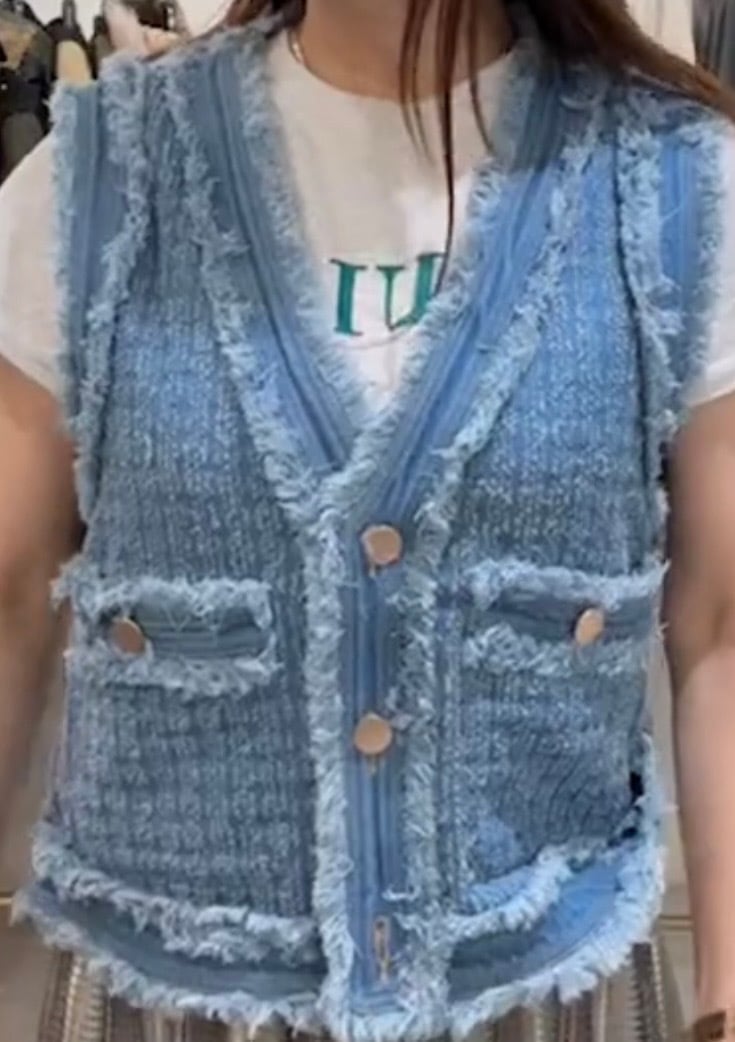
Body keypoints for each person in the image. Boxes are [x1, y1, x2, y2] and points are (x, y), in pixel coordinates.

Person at [1, 0, 735, 1039]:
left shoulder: (676, 185)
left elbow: (721, 629)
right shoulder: (98, 177)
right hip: (175, 993)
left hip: (534, 989)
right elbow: (8, 597)